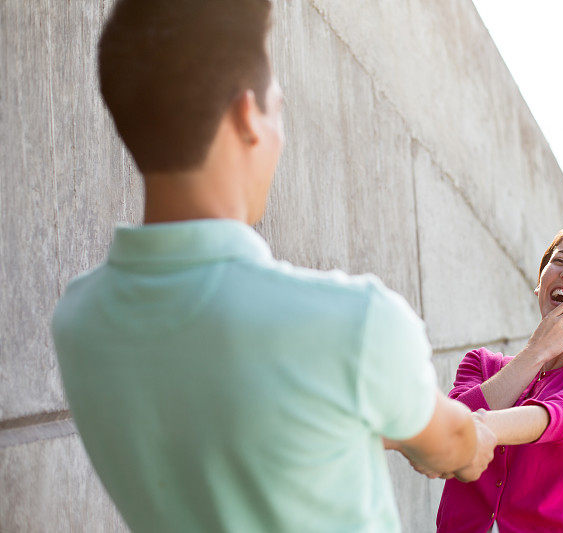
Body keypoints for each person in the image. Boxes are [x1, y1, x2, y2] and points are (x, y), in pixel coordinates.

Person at [50, 1, 496, 531]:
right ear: (248, 116)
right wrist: (473, 442)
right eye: (279, 109)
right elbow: (452, 443)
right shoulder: (354, 323)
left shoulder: (78, 321)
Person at [435, 223, 563, 532]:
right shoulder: (480, 364)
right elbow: (446, 436)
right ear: (539, 282)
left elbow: (556, 416)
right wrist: (536, 352)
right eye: (560, 260)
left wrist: (469, 428)